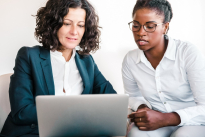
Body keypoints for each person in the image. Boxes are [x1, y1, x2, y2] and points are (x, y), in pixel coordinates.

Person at [0, 0, 116, 136]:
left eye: (80, 25)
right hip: (33, 133)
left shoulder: (87, 61)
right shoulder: (29, 56)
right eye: (67, 23)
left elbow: (112, 100)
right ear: (53, 24)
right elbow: (22, 112)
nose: (74, 32)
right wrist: (74, 113)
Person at [122, 0, 205, 137]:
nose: (141, 32)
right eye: (136, 25)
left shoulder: (187, 53)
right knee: (136, 135)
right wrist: (143, 109)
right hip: (155, 122)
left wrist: (166, 119)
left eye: (150, 26)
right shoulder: (130, 59)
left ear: (165, 27)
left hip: (193, 122)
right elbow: (133, 96)